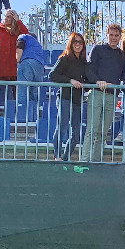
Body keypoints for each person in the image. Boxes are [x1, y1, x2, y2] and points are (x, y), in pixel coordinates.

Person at [85, 24, 125, 159]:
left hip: (112, 96)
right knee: (92, 130)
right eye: (111, 35)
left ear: (120, 37)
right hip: (96, 93)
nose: (113, 38)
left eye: (116, 35)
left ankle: (96, 161)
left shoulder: (121, 54)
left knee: (103, 132)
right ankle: (85, 160)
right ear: (107, 35)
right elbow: (88, 69)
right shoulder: (98, 49)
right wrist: (97, 82)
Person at [50, 33, 89, 161]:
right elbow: (53, 75)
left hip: (77, 100)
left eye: (80, 42)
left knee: (76, 134)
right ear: (71, 44)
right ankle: (56, 156)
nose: (78, 44)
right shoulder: (64, 58)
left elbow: (87, 82)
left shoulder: (84, 63)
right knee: (62, 127)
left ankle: (66, 157)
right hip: (65, 98)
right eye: (75, 42)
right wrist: (70, 81)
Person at [15, 28, 46, 122]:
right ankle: (32, 118)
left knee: (22, 91)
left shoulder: (24, 36)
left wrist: (18, 60)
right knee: (33, 93)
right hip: (40, 67)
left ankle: (22, 120)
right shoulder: (38, 46)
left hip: (27, 63)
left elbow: (19, 49)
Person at [0, 10, 28, 83]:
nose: (5, 19)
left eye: (8, 17)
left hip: (13, 71)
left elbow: (26, 35)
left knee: (14, 94)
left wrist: (18, 21)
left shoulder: (17, 31)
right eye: (5, 17)